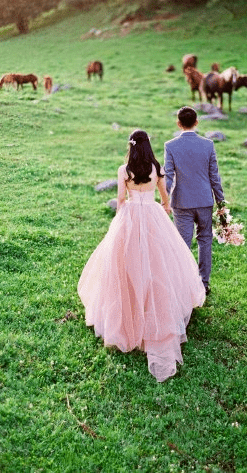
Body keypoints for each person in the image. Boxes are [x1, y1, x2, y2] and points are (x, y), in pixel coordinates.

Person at [77, 129, 206, 383]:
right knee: (159, 266)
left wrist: (119, 224)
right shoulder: (156, 168)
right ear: (148, 147)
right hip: (153, 216)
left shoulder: (124, 170)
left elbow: (121, 200)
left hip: (131, 217)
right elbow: (165, 199)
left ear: (131, 147)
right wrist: (163, 208)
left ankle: (130, 316)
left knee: (126, 265)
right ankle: (157, 311)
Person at [164, 106, 225, 295]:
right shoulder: (208, 145)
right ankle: (203, 284)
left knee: (183, 244)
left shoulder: (170, 146)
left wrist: (164, 201)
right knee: (205, 241)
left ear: (178, 123)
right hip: (205, 201)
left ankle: (183, 285)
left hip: (181, 203)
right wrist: (221, 202)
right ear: (197, 122)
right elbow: (214, 176)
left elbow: (168, 176)